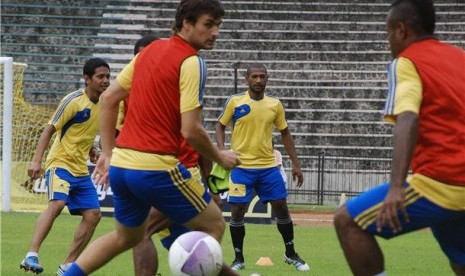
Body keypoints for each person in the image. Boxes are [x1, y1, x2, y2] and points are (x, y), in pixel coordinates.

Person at [63, 0, 240, 275]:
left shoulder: (151, 49)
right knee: (214, 225)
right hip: (155, 167)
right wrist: (221, 157)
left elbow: (109, 99)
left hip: (122, 167)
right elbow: (191, 130)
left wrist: (109, 153)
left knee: (128, 237)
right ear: (186, 23)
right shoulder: (192, 62)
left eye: (218, 25)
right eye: (208, 24)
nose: (215, 32)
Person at [333, 1, 465, 275]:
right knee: (460, 259)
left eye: (388, 34)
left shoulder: (406, 62)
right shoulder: (460, 58)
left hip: (439, 183)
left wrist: (396, 188)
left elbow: (407, 118)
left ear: (401, 30)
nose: (388, 41)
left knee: (347, 220)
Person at [19, 58, 111, 275]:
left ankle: (68, 265)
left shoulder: (106, 103)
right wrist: (36, 161)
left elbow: (82, 133)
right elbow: (49, 130)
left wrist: (92, 152)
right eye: (101, 76)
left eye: (108, 76)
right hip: (59, 163)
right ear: (87, 79)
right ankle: (31, 254)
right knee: (58, 203)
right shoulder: (73, 100)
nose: (106, 80)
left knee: (93, 215)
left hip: (80, 169)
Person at [215, 63, 310, 272]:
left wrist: (295, 163)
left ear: (267, 78)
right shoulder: (235, 102)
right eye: (254, 77)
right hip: (241, 168)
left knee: (281, 207)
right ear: (246, 79)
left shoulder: (275, 104)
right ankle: (238, 258)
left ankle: (290, 253)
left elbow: (285, 133)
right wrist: (222, 151)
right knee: (238, 211)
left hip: (268, 167)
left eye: (262, 76)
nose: (258, 80)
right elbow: (220, 126)